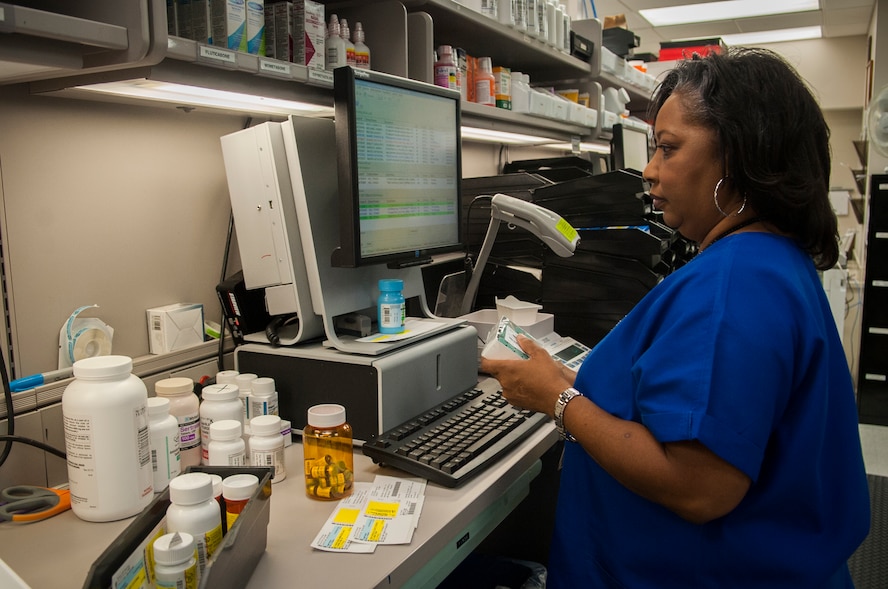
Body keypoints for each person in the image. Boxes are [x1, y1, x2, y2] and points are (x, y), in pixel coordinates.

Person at [480, 47, 871, 588]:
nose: (649, 170)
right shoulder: (770, 259)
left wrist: (559, 401)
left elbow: (699, 487)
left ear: (737, 156)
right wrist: (574, 382)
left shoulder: (732, 285)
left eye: (668, 148)